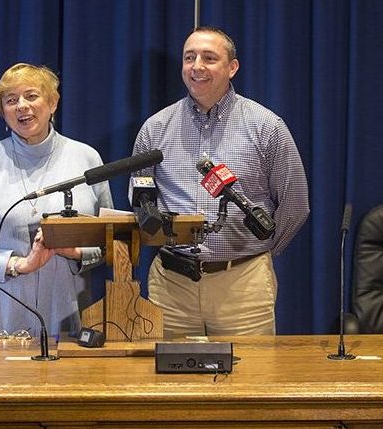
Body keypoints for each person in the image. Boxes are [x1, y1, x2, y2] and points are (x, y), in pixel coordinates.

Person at [131, 27, 309, 337]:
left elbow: (295, 205)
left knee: (249, 382)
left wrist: (256, 253)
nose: (197, 66)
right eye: (190, 58)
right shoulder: (155, 129)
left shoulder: (266, 127)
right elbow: (141, 199)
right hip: (171, 287)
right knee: (170, 383)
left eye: (209, 58)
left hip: (242, 287)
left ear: (232, 68)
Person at [0, 63, 113, 338]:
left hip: (67, 316)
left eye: (31, 96)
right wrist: (19, 265)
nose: (21, 107)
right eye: (11, 100)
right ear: (3, 112)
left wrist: (75, 252)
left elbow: (110, 241)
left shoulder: (86, 158)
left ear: (53, 102)